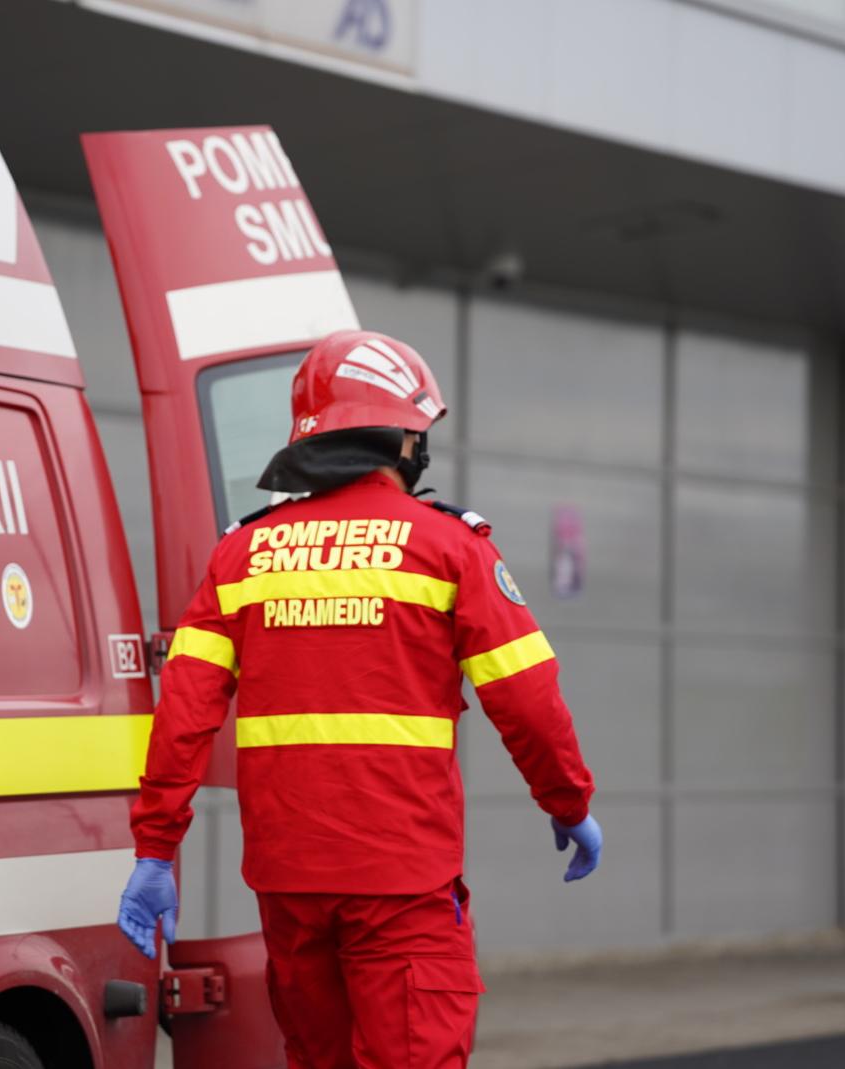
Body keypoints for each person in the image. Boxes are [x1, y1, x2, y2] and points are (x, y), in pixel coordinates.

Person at [117, 330, 602, 1068]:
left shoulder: (242, 555)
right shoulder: (448, 547)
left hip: (288, 883)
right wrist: (567, 801)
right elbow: (527, 699)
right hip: (401, 882)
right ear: (404, 436)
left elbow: (184, 712)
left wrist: (156, 847)